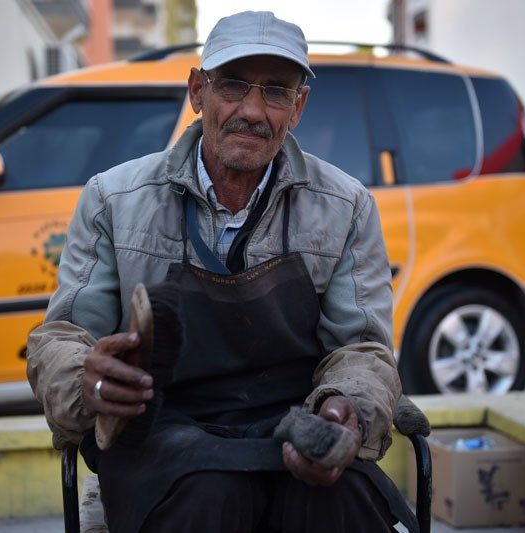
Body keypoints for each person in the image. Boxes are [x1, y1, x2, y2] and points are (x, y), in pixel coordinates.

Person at [27, 10, 418, 533]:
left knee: (339, 499)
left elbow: (363, 350)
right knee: (207, 495)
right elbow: (62, 338)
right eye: (233, 85)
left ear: (297, 107)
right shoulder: (112, 200)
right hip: (165, 431)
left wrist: (344, 407)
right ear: (197, 92)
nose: (253, 111)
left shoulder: (345, 207)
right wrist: (87, 380)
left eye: (276, 91)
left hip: (293, 422)